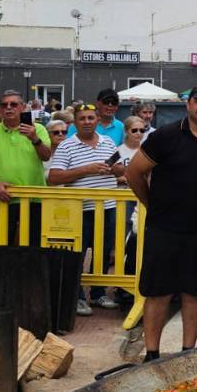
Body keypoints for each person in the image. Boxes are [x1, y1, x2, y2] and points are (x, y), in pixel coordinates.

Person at [124, 85, 197, 360]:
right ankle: (151, 354)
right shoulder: (164, 136)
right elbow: (134, 172)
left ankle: (188, 352)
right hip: (164, 229)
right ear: (188, 104)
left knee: (195, 291)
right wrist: (152, 204)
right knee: (157, 292)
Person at [48, 104, 124, 315]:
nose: (88, 122)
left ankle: (99, 293)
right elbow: (54, 177)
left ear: (97, 120)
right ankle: (78, 296)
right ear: (76, 122)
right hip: (80, 209)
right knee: (77, 254)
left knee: (103, 251)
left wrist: (115, 169)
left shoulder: (108, 142)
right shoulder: (66, 146)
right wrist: (86, 169)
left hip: (108, 207)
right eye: (83, 119)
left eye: (91, 118)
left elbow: (119, 169)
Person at [0, 90, 52, 244]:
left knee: (34, 247)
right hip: (1, 198)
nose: (8, 108)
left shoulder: (38, 129)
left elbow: (46, 156)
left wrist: (34, 138)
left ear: (23, 107)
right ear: (0, 109)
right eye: (4, 105)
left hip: (33, 198)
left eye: (14, 104)